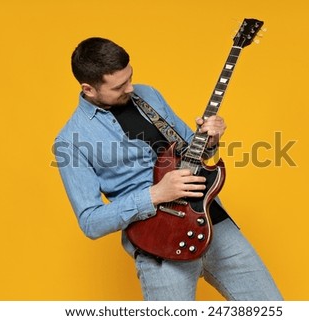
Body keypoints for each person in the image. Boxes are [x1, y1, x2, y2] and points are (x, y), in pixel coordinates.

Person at [54, 37, 282, 301]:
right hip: (160, 245)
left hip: (213, 224)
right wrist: (155, 194)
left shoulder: (149, 94)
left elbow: (191, 151)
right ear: (89, 89)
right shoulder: (71, 140)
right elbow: (91, 222)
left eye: (130, 77)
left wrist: (209, 139)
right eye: (119, 86)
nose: (130, 87)